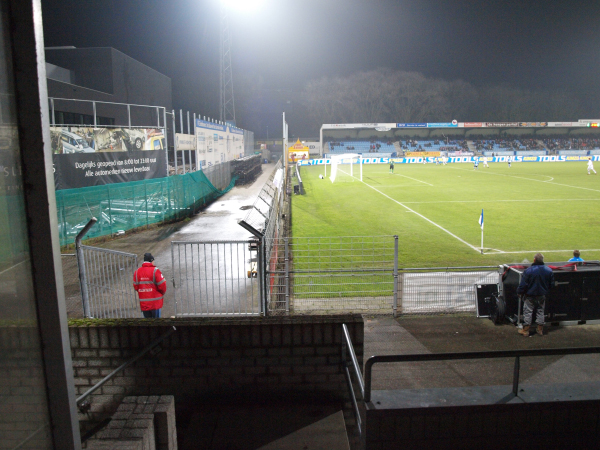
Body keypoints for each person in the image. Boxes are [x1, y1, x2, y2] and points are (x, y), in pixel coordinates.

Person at [517, 253, 554, 336]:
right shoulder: (549, 270)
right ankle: (540, 330)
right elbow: (551, 285)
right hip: (541, 295)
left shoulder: (529, 271)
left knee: (528, 312)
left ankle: (525, 330)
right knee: (541, 311)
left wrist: (519, 292)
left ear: (534, 260)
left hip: (530, 295)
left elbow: (523, 285)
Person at [133, 253, 167, 318]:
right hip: (155, 303)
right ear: (151, 261)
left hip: (144, 304)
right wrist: (162, 293)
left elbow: (136, 286)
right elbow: (162, 285)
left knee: (148, 323)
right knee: (156, 324)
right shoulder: (155, 271)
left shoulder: (137, 272)